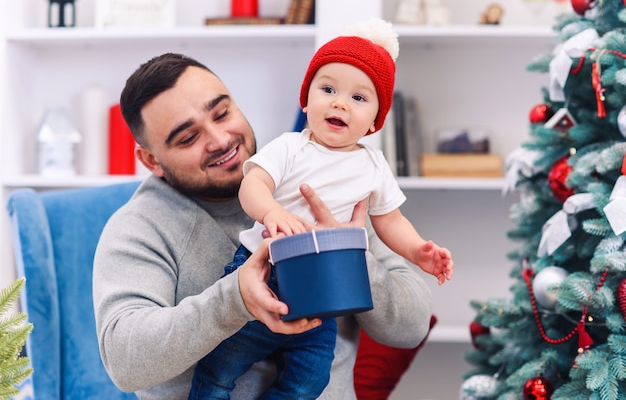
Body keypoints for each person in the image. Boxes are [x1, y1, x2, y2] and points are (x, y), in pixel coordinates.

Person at [93, 51, 434, 400]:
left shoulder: (322, 181)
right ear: (152, 160)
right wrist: (233, 301)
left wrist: (348, 253)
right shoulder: (138, 227)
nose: (220, 140)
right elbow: (125, 360)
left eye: (222, 113)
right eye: (188, 138)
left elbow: (411, 327)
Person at [188, 19, 454, 399]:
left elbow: (390, 219)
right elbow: (253, 184)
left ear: (374, 121)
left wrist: (418, 251)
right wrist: (271, 213)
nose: (339, 102)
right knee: (222, 363)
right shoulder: (290, 147)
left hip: (326, 285)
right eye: (327, 88)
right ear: (306, 97)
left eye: (359, 98)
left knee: (310, 378)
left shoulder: (374, 166)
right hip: (267, 271)